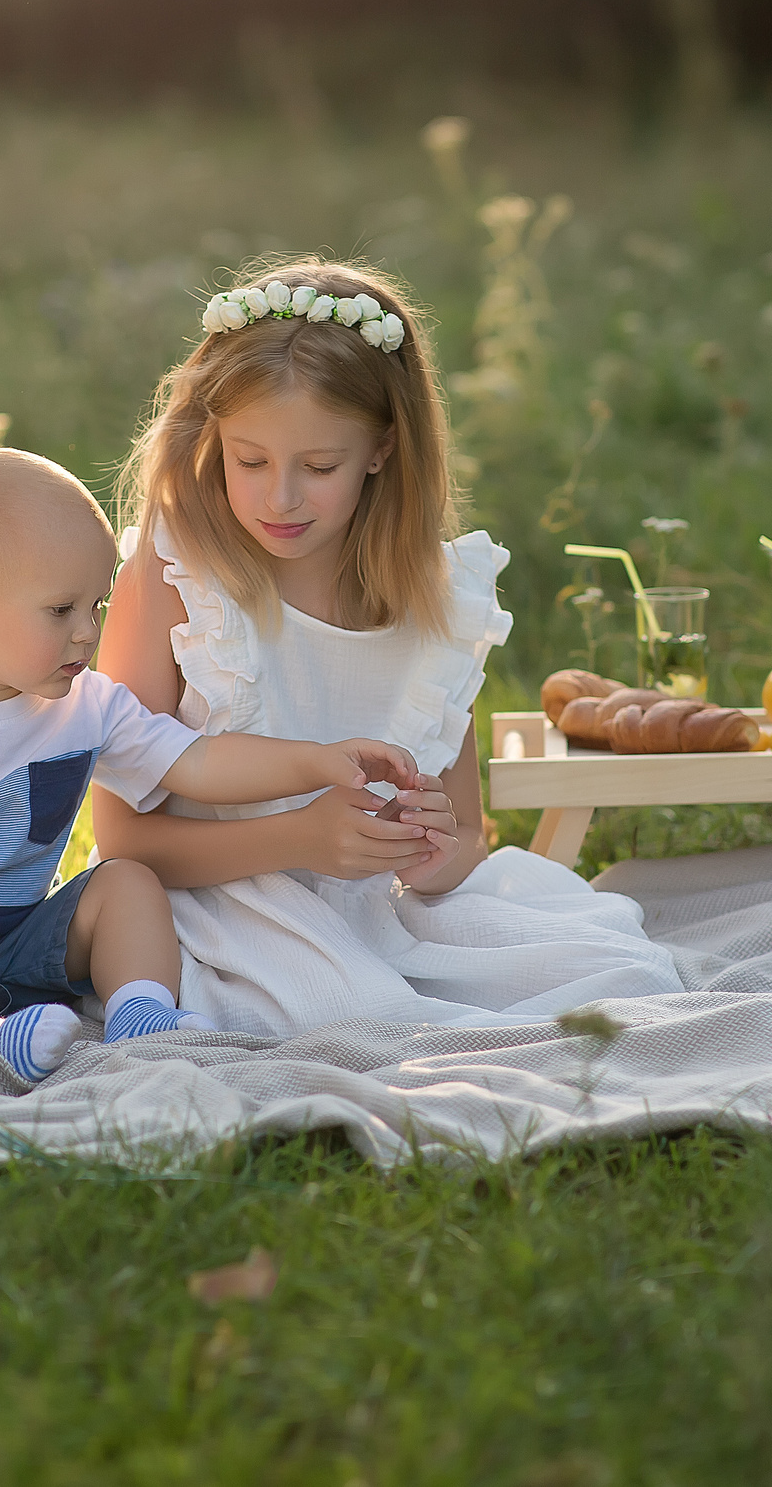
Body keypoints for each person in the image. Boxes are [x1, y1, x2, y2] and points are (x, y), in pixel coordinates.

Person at [93, 261, 686, 1035]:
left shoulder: (433, 599)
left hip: (382, 911)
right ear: (213, 438)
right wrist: (301, 839)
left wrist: (428, 851)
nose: (280, 496)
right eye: (250, 460)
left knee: (621, 972)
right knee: (356, 1016)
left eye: (319, 466)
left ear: (381, 449)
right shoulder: (176, 579)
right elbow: (123, 842)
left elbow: (466, 835)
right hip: (222, 912)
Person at [0, 447, 424, 1081]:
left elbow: (197, 761)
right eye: (60, 610)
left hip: (13, 937)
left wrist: (317, 762)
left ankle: (140, 1012)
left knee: (126, 881)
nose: (87, 631)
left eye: (96, 605)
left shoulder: (86, 706)